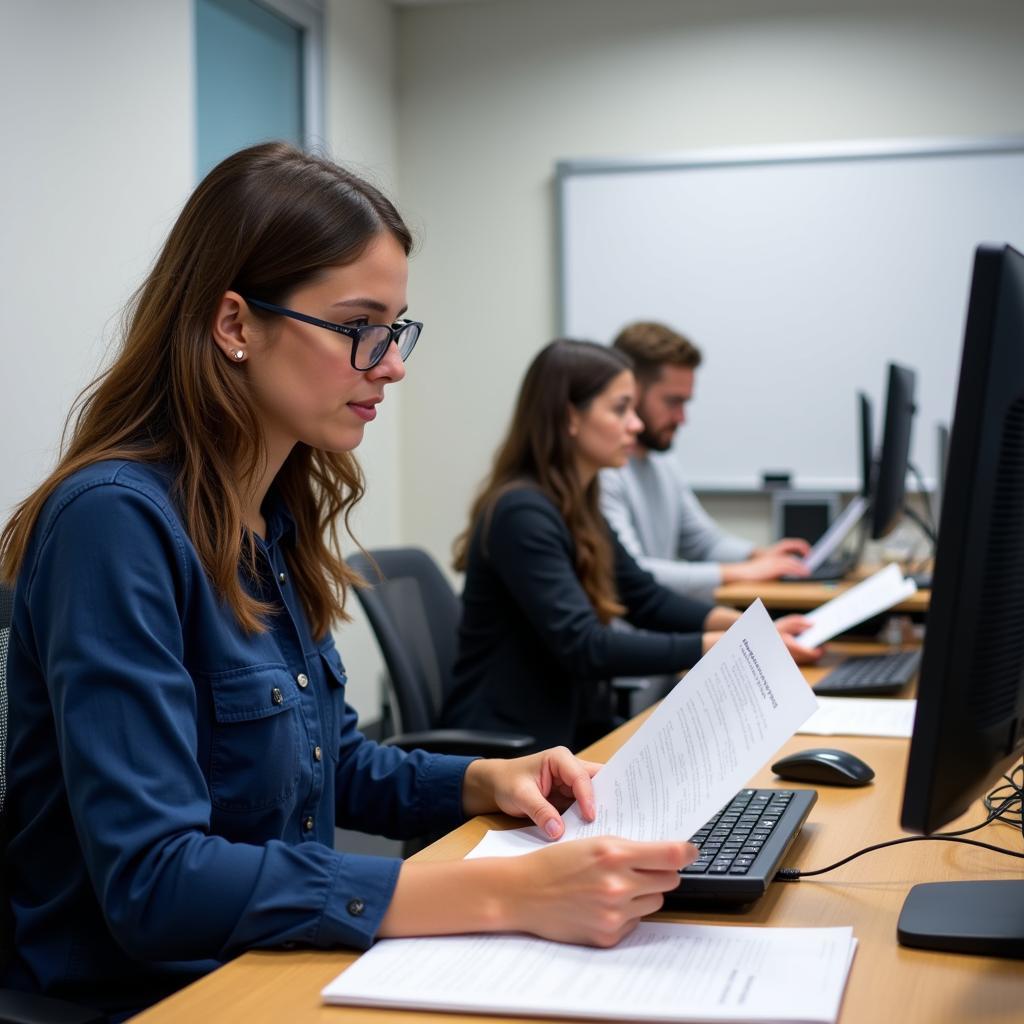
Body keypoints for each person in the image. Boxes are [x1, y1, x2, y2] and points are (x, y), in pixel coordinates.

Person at [0, 144, 697, 1021]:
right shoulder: (114, 523)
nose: (392, 364)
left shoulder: (269, 517)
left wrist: (486, 779)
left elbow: (333, 762)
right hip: (151, 999)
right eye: (361, 326)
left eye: (397, 328)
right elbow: (156, 881)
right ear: (234, 325)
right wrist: (507, 895)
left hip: (275, 967)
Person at [441, 339, 821, 752]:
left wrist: (746, 628)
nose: (636, 425)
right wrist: (716, 645)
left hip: (562, 734)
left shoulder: (575, 504)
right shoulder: (522, 513)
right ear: (570, 417)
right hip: (507, 749)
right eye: (621, 409)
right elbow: (585, 646)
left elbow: (645, 598)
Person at [600, 321, 812, 602]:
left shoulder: (662, 462)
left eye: (685, 403)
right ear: (632, 392)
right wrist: (740, 572)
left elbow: (701, 541)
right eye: (672, 402)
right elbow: (634, 573)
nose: (681, 418)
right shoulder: (603, 471)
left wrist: (758, 556)